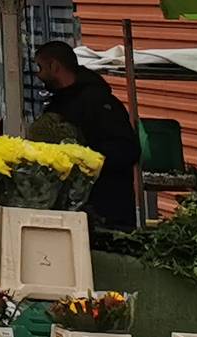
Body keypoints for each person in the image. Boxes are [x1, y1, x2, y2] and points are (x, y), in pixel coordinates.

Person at [34, 40, 142, 228]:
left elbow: (128, 150)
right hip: (70, 210)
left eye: (40, 68)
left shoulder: (100, 103)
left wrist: (83, 157)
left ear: (54, 66)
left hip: (106, 210)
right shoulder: (59, 104)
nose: (38, 75)